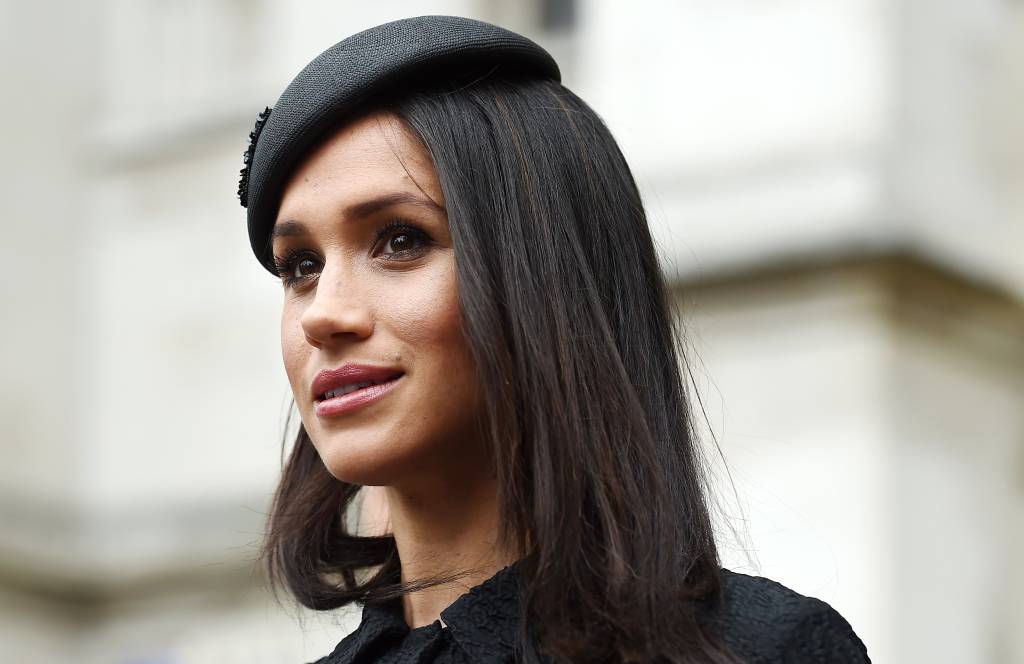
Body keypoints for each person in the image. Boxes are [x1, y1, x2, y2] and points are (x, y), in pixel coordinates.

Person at [239, 15, 871, 664]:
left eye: (402, 239)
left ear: (544, 278)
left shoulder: (762, 649)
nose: (322, 314)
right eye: (301, 267)